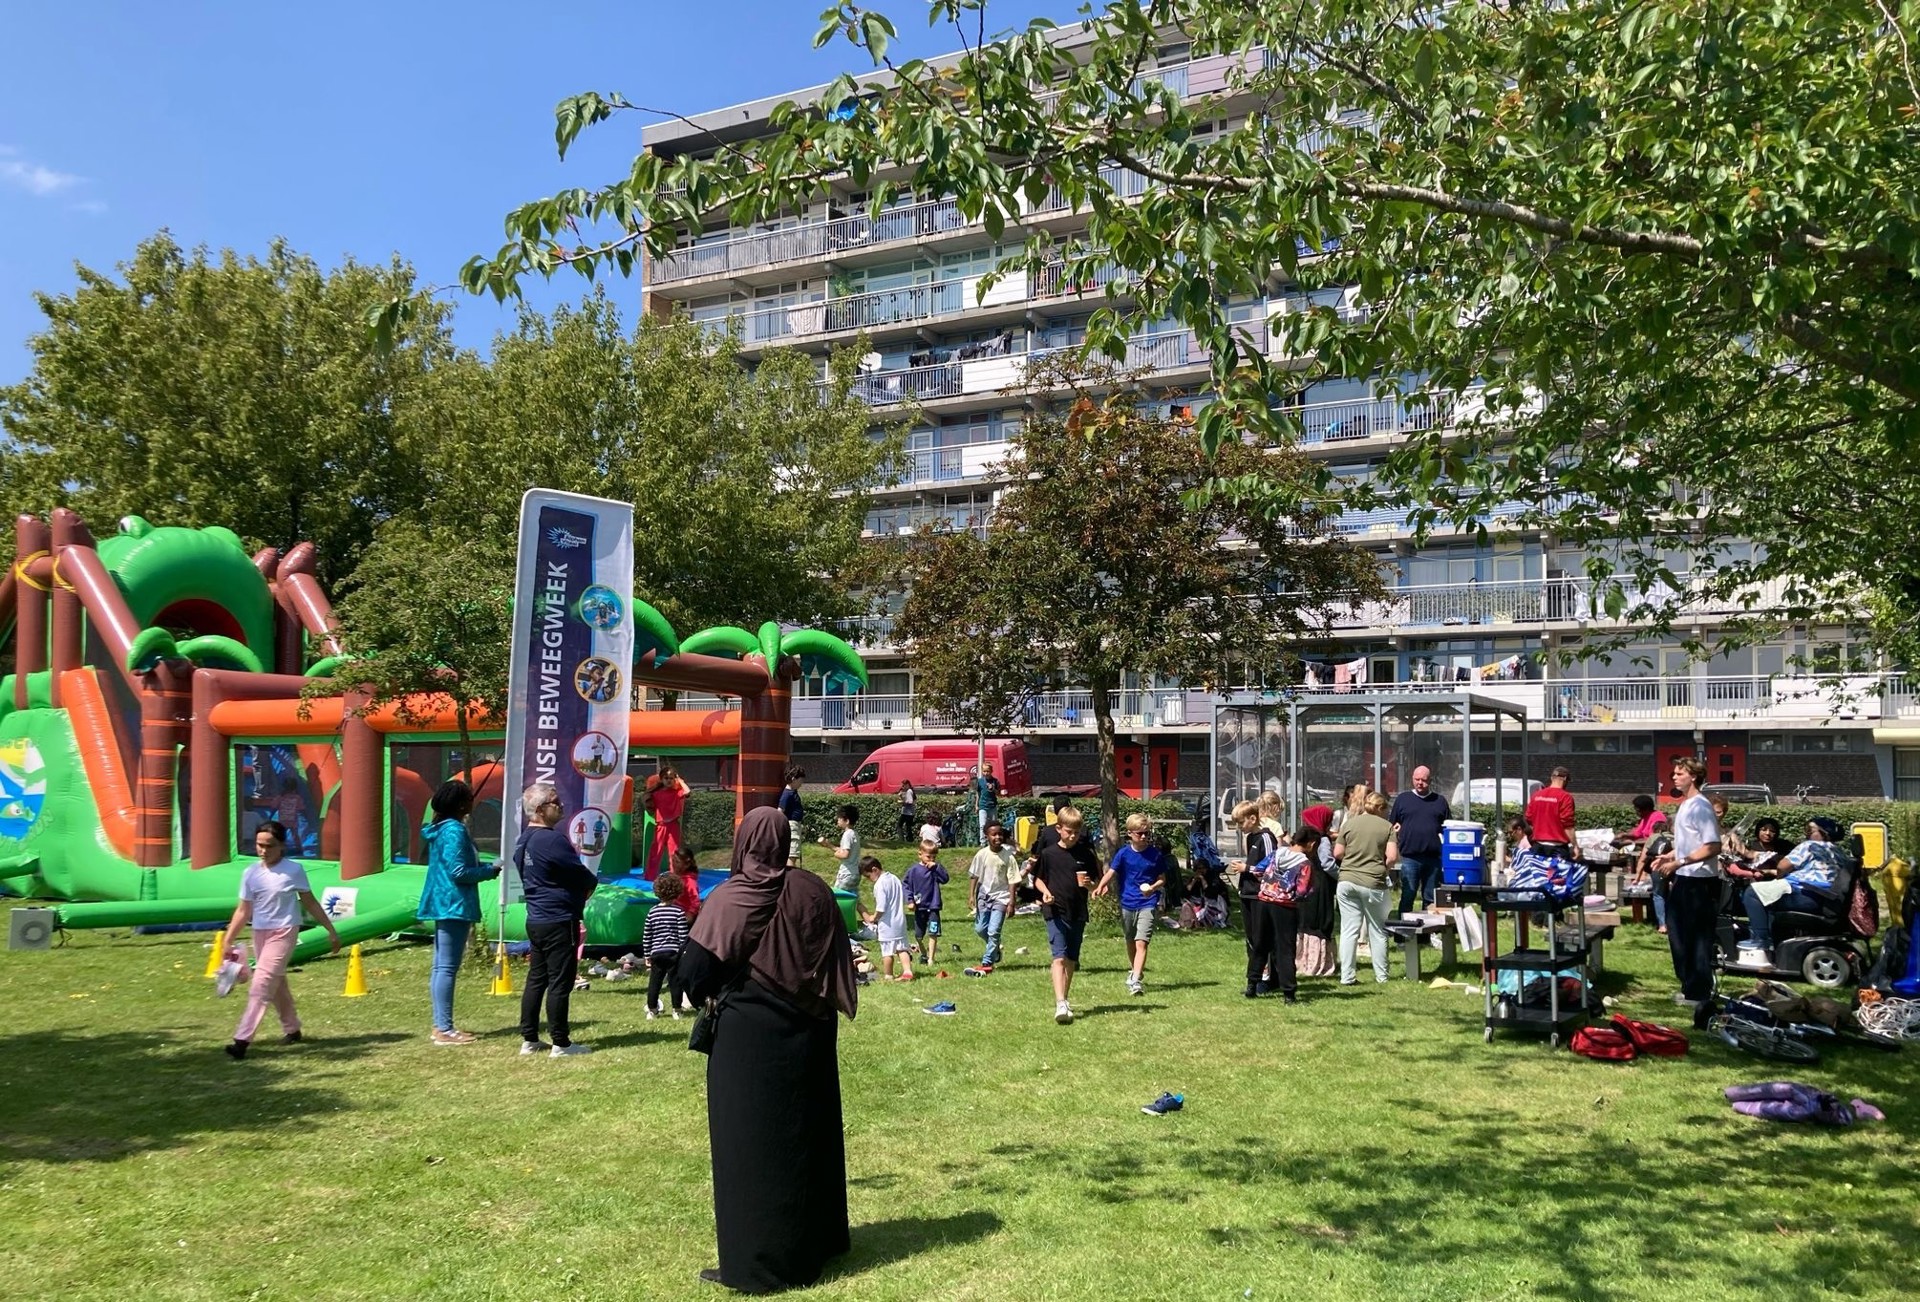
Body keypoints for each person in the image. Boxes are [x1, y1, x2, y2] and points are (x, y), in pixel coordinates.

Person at [679, 806, 857, 1294]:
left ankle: (761, 1263)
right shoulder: (814, 890)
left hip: (750, 1039)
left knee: (752, 1148)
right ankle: (817, 1243)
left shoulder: (734, 896)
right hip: (812, 1031)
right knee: (807, 1136)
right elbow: (836, 957)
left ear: (743, 845)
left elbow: (693, 973)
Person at [219, 820, 340, 1059]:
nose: (264, 851)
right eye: (259, 845)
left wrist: (331, 930)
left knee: (261, 985)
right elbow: (244, 910)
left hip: (284, 932)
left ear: (282, 846)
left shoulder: (293, 870)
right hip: (260, 932)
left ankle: (241, 1041)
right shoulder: (250, 873)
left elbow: (310, 901)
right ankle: (292, 1028)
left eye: (270, 846)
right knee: (277, 984)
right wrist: (228, 938)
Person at [513, 782, 599, 1057]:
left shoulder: (524, 839)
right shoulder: (552, 839)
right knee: (561, 980)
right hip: (559, 918)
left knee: (537, 978)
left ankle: (529, 1038)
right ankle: (560, 1042)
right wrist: (585, 888)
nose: (560, 805)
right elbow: (582, 875)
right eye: (554, 801)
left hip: (537, 918)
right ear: (539, 810)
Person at [417, 779, 500, 1046]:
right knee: (447, 968)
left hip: (444, 901)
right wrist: (490, 871)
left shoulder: (441, 828)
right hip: (453, 903)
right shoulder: (454, 830)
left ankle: (441, 1025)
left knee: (441, 966)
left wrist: (486, 865)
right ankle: (445, 1028)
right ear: (462, 804)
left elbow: (459, 864)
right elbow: (459, 872)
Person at [1649, 756, 1722, 1008]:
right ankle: (1689, 986)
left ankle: (1699, 993)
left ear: (1693, 776)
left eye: (1680, 773)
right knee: (1678, 936)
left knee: (1697, 939)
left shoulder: (1701, 806)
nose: (1674, 777)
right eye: (1674, 773)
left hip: (1700, 883)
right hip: (1685, 879)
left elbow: (1712, 845)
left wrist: (1679, 863)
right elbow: (1688, 843)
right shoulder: (1685, 806)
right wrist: (1668, 856)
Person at [1737, 817, 1845, 966]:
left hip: (1806, 895)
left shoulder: (1810, 846)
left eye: (1810, 830)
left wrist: (1779, 876)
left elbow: (1783, 866)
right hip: (1825, 897)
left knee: (1752, 893)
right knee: (1768, 896)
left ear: (1823, 833)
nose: (1807, 834)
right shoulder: (1838, 851)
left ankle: (1760, 943)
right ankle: (1773, 941)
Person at [1031, 805, 1100, 1023]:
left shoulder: (1085, 854)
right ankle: (1060, 1002)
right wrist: (1045, 893)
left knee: (1071, 959)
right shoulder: (1048, 854)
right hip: (1054, 910)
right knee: (1058, 956)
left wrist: (1090, 885)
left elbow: (1096, 885)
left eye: (1076, 832)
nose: (1072, 836)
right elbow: (1038, 879)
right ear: (1059, 828)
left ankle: (1065, 998)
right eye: (1068, 831)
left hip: (1078, 911)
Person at [1096, 812, 1170, 996]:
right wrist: (1100, 886)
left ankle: (1135, 981)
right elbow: (1111, 872)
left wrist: (1152, 888)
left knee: (1141, 943)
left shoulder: (1155, 855)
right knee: (1130, 941)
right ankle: (1136, 970)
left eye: (1146, 833)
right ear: (1129, 833)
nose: (1144, 836)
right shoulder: (1123, 854)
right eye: (1139, 833)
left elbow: (1162, 879)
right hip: (1127, 902)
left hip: (1147, 902)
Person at [1249, 826, 1317, 1004]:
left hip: (1263, 902)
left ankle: (1251, 985)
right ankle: (1288, 993)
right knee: (1285, 949)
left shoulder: (1277, 853)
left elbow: (1257, 870)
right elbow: (1302, 891)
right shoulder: (1304, 863)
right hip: (1285, 908)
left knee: (1260, 944)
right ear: (1311, 844)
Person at [1333, 791, 1394, 985]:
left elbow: (1338, 852)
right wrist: (1382, 868)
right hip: (1373, 882)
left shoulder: (1349, 824)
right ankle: (1382, 976)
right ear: (1380, 808)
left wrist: (1353, 862)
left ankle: (1347, 976)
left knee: (1349, 930)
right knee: (1377, 930)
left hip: (1346, 881)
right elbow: (1392, 857)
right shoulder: (1387, 826)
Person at [1228, 800, 1280, 998]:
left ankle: (1267, 978)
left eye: (1241, 823)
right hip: (1247, 892)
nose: (1240, 828)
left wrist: (1246, 869)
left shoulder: (1266, 837)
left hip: (1261, 894)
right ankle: (1257, 977)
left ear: (1253, 818)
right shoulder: (1251, 838)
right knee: (1251, 938)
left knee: (1262, 938)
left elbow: (1271, 867)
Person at [1389, 766, 1452, 914]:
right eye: (1417, 779)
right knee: (1408, 895)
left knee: (1430, 897)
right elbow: (1391, 825)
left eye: (1423, 780)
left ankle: (1429, 933)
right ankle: (1403, 933)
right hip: (1410, 856)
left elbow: (1447, 827)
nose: (1420, 783)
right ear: (1412, 779)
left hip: (1433, 858)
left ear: (1430, 780)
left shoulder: (1440, 801)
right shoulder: (1403, 799)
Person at [1294, 805, 1338, 978]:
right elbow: (1327, 863)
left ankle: (1302, 959)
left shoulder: (1306, 838)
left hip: (1306, 882)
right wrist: (1341, 876)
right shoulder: (1323, 840)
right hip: (1320, 883)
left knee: (1306, 920)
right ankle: (1318, 962)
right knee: (1319, 920)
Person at [968, 818, 1018, 967]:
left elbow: (1013, 879)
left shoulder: (1008, 856)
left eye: (1000, 834)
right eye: (993, 834)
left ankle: (987, 961)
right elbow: (974, 875)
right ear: (986, 836)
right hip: (984, 895)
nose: (997, 837)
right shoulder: (982, 854)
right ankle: (995, 947)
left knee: (993, 930)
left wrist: (1011, 901)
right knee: (980, 928)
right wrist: (971, 895)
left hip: (1001, 898)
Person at [642, 871, 691, 1019]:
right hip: (673, 953)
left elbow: (647, 935)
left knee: (655, 982)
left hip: (656, 953)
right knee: (675, 982)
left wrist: (647, 954)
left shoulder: (652, 912)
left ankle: (652, 1010)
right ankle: (677, 1010)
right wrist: (684, 952)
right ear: (677, 892)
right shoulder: (678, 912)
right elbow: (683, 935)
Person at [860, 855, 913, 980]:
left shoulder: (880, 884)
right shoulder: (894, 878)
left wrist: (874, 917)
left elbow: (881, 907)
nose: (869, 879)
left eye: (868, 876)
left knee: (887, 951)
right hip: (900, 921)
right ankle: (907, 971)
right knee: (902, 948)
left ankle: (888, 975)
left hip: (887, 924)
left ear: (874, 870)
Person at [903, 839, 949, 966]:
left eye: (934, 857)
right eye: (928, 856)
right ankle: (923, 952)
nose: (931, 859)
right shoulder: (913, 871)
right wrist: (910, 900)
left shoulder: (935, 869)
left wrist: (937, 868)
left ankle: (931, 959)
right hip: (919, 908)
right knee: (918, 935)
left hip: (933, 906)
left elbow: (945, 879)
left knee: (933, 933)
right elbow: (905, 885)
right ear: (920, 854)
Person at [647, 764, 691, 880]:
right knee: (656, 851)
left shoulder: (677, 793)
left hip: (673, 824)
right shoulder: (657, 794)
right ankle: (650, 876)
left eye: (671, 778)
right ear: (661, 779)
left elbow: (687, 791)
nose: (669, 780)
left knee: (674, 851)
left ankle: (675, 875)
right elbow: (647, 797)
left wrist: (680, 780)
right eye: (666, 778)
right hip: (661, 825)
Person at [1525, 766, 1576, 859]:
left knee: (1539, 873)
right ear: (1565, 779)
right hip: (1558, 849)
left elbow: (1529, 818)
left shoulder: (1537, 795)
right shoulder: (1565, 797)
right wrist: (1575, 846)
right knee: (1558, 873)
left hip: (1538, 846)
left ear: (1552, 778)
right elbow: (1568, 825)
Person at [819, 804, 861, 893]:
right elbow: (845, 850)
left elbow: (845, 854)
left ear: (847, 821)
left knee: (838, 899)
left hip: (846, 874)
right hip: (855, 873)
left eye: (839, 818)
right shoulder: (854, 834)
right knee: (854, 900)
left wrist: (835, 854)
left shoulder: (847, 834)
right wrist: (829, 845)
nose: (837, 820)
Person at [668, 846, 703, 924]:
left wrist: (690, 914)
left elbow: (695, 901)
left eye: (677, 862)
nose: (673, 864)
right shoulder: (676, 877)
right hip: (675, 913)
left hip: (683, 917)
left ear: (686, 865)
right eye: (672, 860)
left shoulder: (690, 881)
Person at [779, 767, 806, 867]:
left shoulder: (793, 792)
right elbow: (780, 811)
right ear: (794, 779)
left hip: (796, 825)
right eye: (800, 781)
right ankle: (790, 875)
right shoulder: (787, 794)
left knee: (794, 854)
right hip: (791, 826)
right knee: (792, 854)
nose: (801, 784)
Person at [974, 762, 1003, 844]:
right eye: (984, 771)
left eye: (988, 771)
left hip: (992, 806)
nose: (986, 773)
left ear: (991, 771)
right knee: (982, 825)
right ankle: (983, 842)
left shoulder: (995, 781)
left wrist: (993, 789)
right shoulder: (980, 781)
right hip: (983, 806)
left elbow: (998, 793)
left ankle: (994, 841)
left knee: (994, 825)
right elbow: (978, 794)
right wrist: (976, 805)